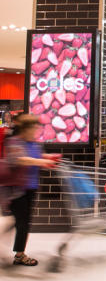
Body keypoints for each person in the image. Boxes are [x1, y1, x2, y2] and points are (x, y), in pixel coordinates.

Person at [2, 114, 57, 266]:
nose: (36, 131)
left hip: (31, 187)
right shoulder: (13, 142)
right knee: (23, 222)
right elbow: (20, 159)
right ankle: (20, 255)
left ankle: (15, 248)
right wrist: (42, 161)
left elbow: (37, 156)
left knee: (21, 221)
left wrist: (50, 157)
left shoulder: (34, 144)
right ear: (25, 129)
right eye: (34, 128)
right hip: (15, 190)